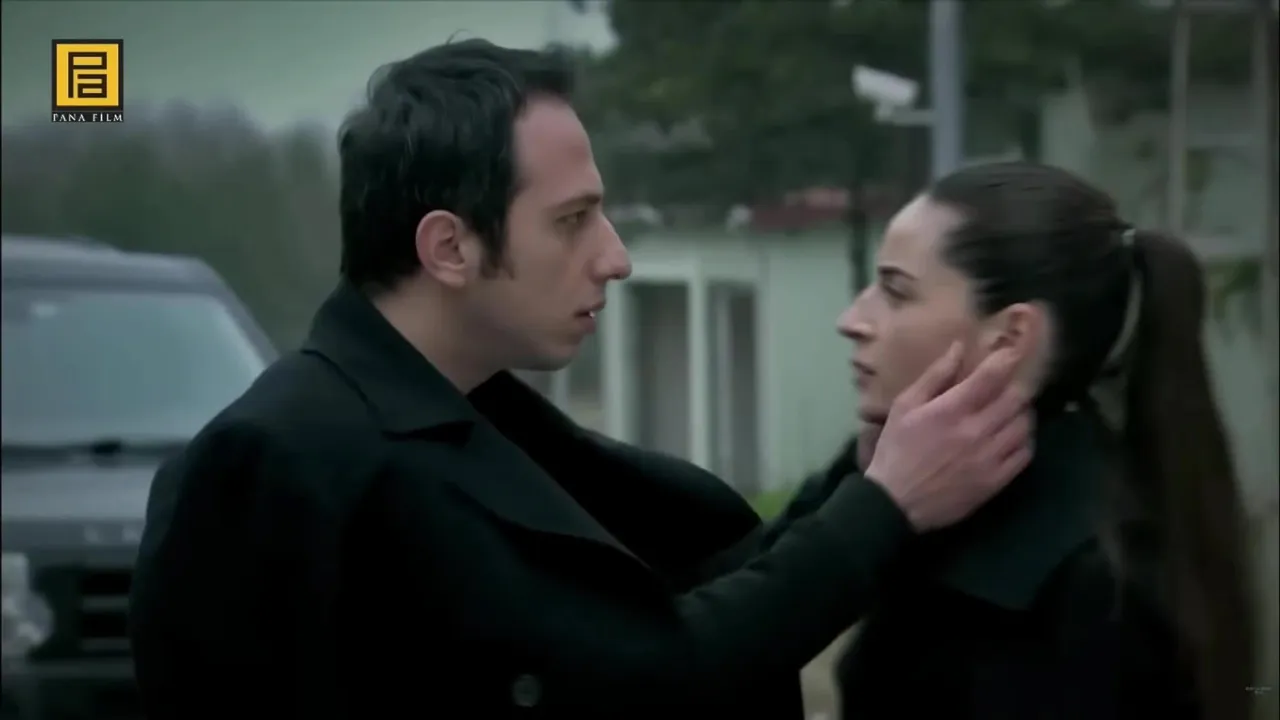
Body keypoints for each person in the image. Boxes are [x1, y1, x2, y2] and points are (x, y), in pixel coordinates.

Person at [127, 41, 1033, 719]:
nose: (615, 257)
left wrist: (869, 478)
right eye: (572, 221)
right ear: (449, 247)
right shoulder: (275, 462)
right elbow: (647, 673)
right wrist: (885, 508)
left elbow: (686, 592)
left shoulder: (475, 414)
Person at [786, 161, 1253, 720]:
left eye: (896, 292)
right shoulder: (920, 490)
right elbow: (725, 607)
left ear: (1010, 335)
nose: (852, 319)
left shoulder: (1091, 577)